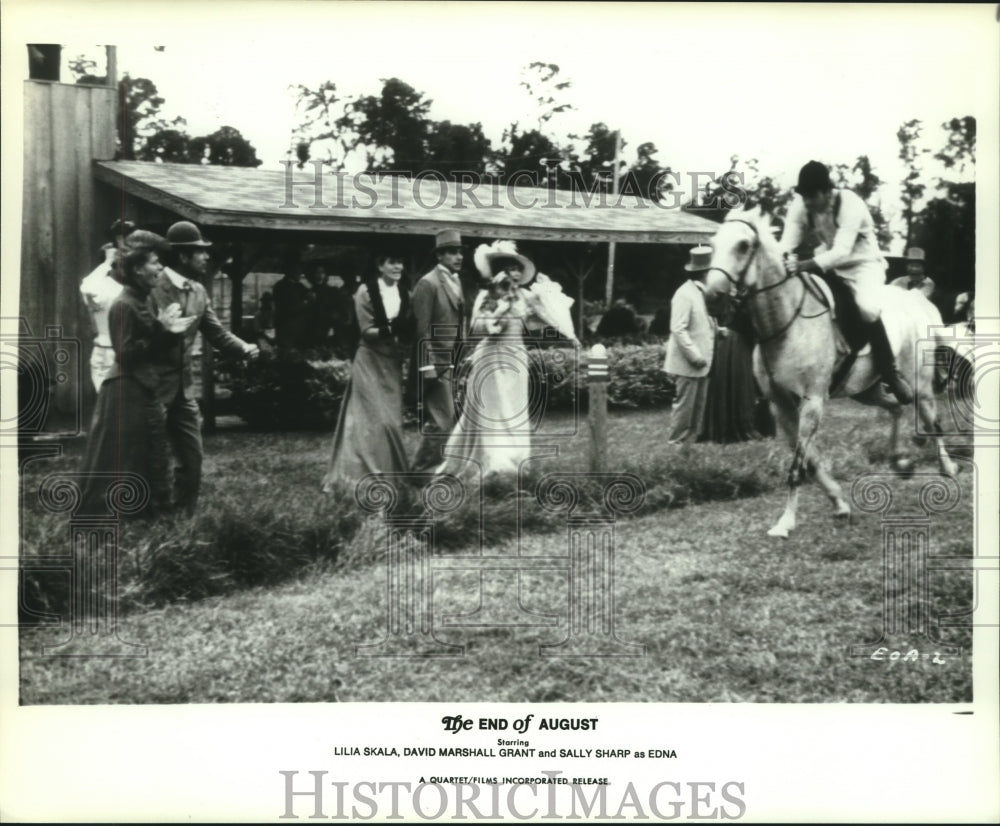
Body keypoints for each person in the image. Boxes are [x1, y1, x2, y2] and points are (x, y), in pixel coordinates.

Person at [435, 240, 576, 480]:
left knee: (514, 410)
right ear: (500, 271)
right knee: (494, 410)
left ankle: (517, 459)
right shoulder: (488, 294)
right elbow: (476, 326)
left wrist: (550, 317)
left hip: (516, 359)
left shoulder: (524, 296)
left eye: (518, 269)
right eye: (510, 268)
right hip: (492, 359)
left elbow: (529, 323)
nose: (516, 273)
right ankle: (495, 465)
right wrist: (492, 321)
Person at [79, 234, 195, 516]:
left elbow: (148, 347)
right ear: (136, 270)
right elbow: (127, 354)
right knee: (126, 454)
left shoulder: (141, 300)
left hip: (140, 385)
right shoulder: (125, 304)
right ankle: (119, 513)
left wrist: (165, 330)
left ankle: (145, 514)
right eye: (155, 263)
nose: (159, 269)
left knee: (146, 452)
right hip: (126, 389)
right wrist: (164, 330)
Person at [149, 221, 259, 515]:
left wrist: (244, 348)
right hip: (151, 387)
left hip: (184, 389)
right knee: (152, 456)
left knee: (192, 456)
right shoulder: (152, 288)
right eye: (200, 252)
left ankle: (183, 518)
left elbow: (216, 333)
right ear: (183, 257)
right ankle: (149, 518)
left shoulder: (199, 290)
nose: (206, 257)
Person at [781, 160, 912, 404]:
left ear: (827, 191)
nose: (806, 201)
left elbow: (841, 251)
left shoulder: (850, 203)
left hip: (864, 266)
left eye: (811, 195)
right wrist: (781, 262)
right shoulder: (801, 206)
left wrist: (802, 265)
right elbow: (786, 244)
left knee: (866, 307)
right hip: (830, 266)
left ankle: (889, 373)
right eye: (804, 195)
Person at [321, 252, 413, 492]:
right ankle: (359, 476)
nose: (397, 266)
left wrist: (406, 333)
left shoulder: (405, 292)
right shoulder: (366, 291)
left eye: (400, 261)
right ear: (380, 265)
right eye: (392, 261)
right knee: (371, 419)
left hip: (391, 361)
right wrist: (391, 329)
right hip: (369, 358)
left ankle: (393, 475)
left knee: (391, 421)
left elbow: (409, 328)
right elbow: (366, 331)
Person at [409, 230, 467, 473]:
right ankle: (420, 471)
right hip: (435, 363)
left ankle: (439, 468)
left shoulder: (455, 281)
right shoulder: (427, 283)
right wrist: (427, 365)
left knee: (450, 419)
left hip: (452, 361)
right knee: (442, 421)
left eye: (460, 252)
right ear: (440, 255)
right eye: (453, 252)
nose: (459, 257)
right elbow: (421, 330)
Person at [663, 245, 717, 445]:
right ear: (705, 273)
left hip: (703, 362)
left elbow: (701, 322)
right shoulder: (684, 294)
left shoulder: (700, 293)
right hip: (689, 363)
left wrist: (718, 331)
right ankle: (676, 445)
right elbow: (678, 328)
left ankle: (688, 447)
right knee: (685, 408)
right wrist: (694, 356)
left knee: (697, 409)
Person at [699, 296, 772, 443]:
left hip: (734, 343)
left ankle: (732, 426)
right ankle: (743, 426)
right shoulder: (738, 300)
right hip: (738, 344)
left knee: (741, 383)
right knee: (742, 383)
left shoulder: (736, 299)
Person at [79, 220, 135, 390]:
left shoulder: (128, 287)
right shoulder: (102, 288)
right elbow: (87, 286)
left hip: (128, 354)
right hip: (107, 352)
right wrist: (107, 262)